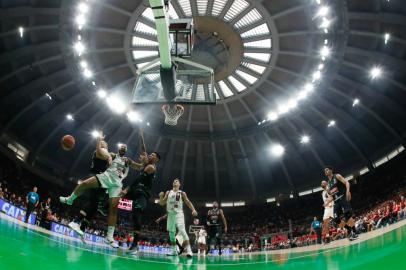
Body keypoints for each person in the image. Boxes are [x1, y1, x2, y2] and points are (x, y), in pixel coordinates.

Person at [60, 134, 145, 248]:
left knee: (113, 209)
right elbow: (100, 153)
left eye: (125, 147)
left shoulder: (127, 160)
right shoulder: (112, 155)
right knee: (85, 184)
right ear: (119, 149)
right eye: (122, 146)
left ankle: (109, 237)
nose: (123, 147)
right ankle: (70, 199)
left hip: (117, 184)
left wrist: (143, 162)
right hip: (106, 177)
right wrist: (100, 141)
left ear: (126, 150)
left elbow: (139, 167)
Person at [119, 130, 161, 255]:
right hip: (135, 191)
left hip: (143, 194)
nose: (150, 155)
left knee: (136, 215)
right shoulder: (146, 163)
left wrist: (127, 189)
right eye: (150, 154)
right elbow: (143, 149)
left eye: (153, 155)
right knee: (115, 198)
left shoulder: (151, 167)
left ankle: (135, 244)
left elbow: (138, 179)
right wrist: (141, 136)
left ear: (157, 160)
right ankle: (103, 207)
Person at [67, 133, 111, 238]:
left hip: (99, 179)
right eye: (103, 143)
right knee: (93, 203)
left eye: (104, 143)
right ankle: (76, 221)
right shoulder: (101, 151)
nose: (104, 144)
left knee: (95, 206)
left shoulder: (103, 152)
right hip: (97, 178)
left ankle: (82, 227)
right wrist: (99, 140)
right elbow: (106, 157)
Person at [159, 178, 198, 257]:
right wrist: (160, 196)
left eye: (177, 181)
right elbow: (162, 203)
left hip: (179, 214)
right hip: (170, 215)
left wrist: (193, 209)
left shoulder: (182, 193)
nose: (175, 182)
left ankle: (189, 251)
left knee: (182, 231)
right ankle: (174, 251)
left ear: (179, 185)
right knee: (171, 234)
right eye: (174, 181)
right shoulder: (168, 192)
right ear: (172, 184)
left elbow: (188, 201)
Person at [324, 166, 358, 241]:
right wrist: (327, 202)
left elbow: (346, 182)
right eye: (325, 171)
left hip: (343, 197)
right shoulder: (328, 184)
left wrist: (348, 191)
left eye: (327, 170)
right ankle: (349, 229)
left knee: (347, 214)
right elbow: (331, 197)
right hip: (336, 201)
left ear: (331, 170)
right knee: (336, 219)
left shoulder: (337, 176)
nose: (326, 171)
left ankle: (355, 232)